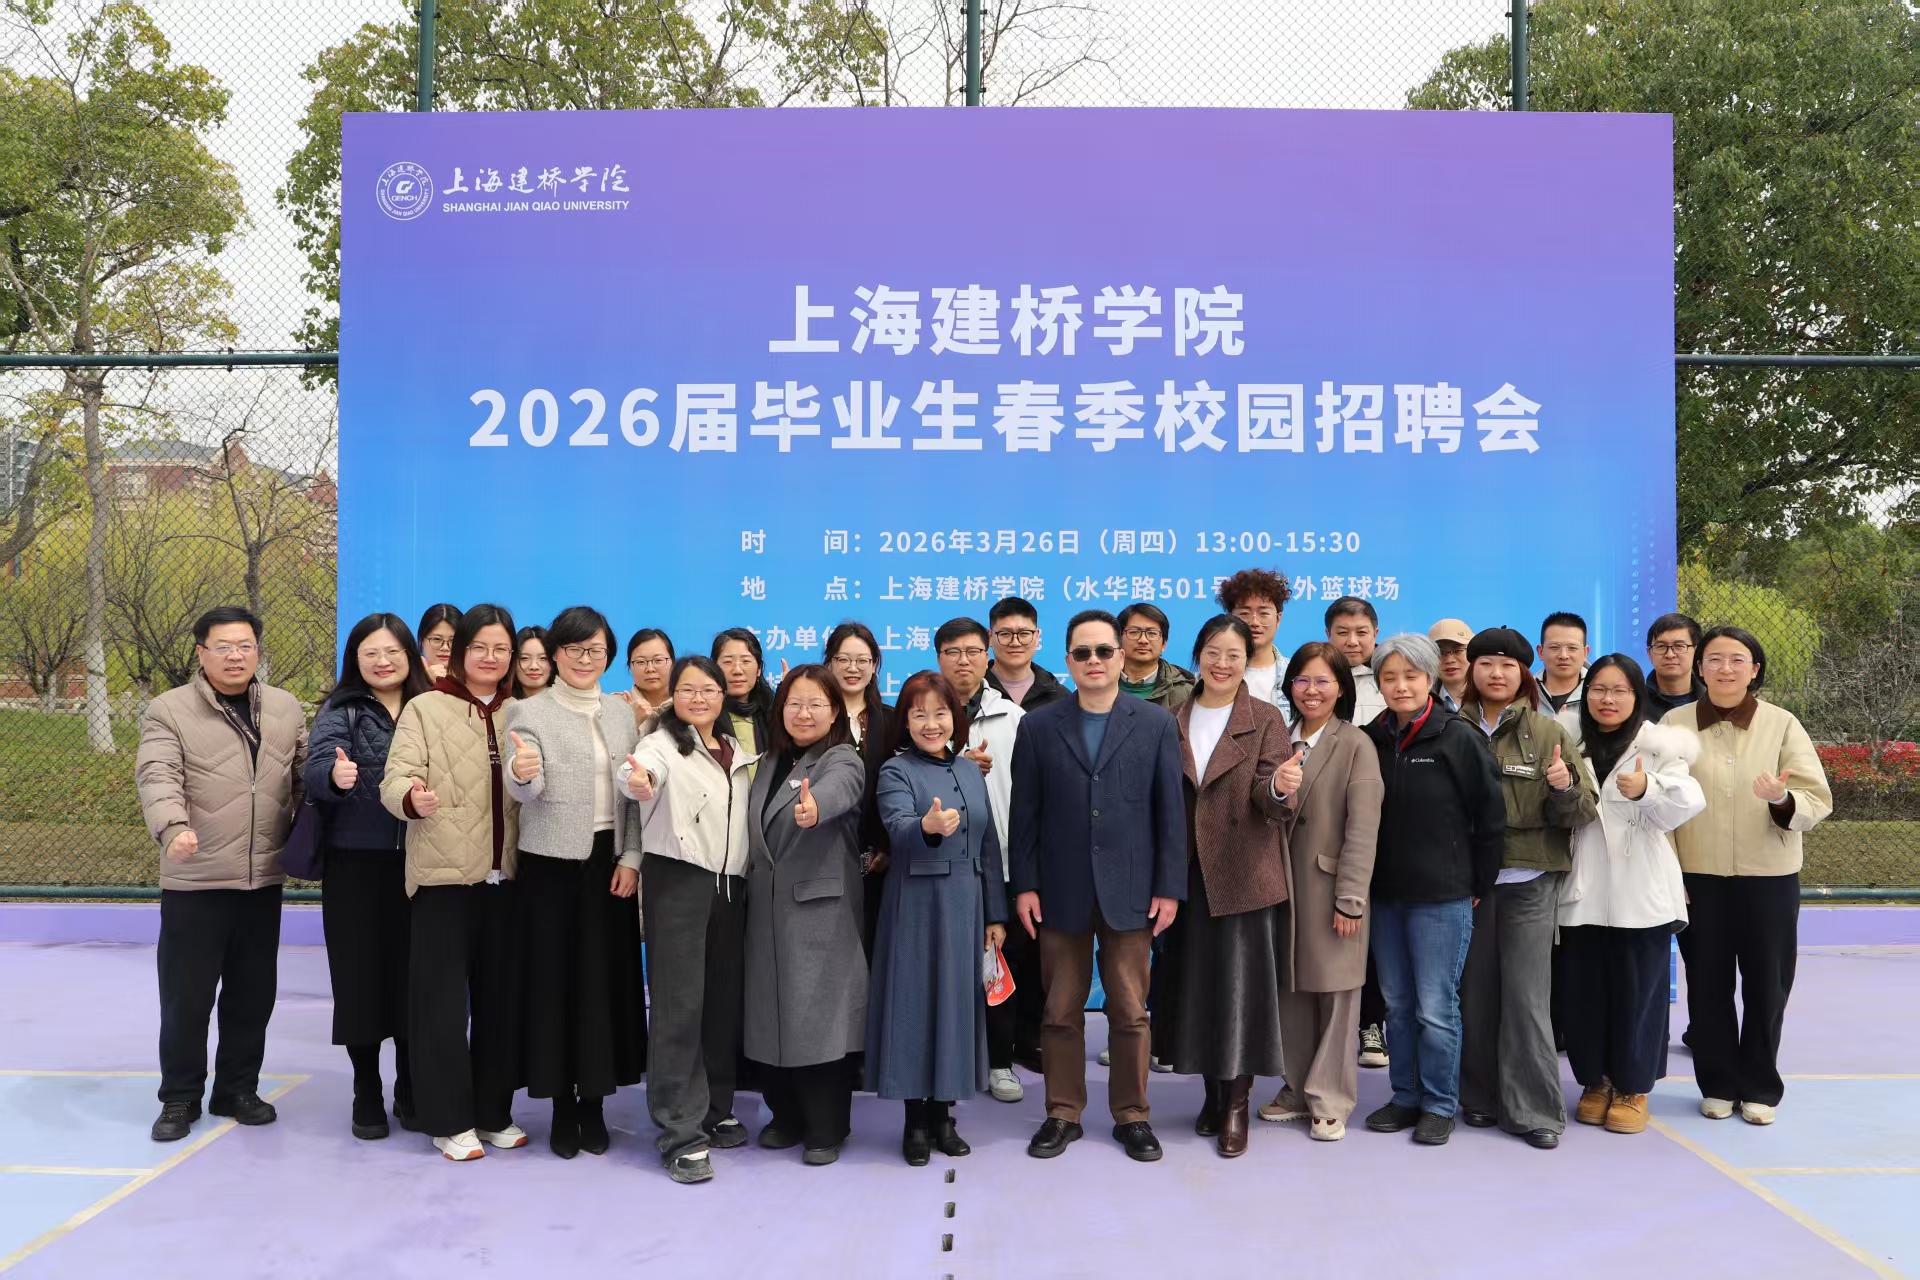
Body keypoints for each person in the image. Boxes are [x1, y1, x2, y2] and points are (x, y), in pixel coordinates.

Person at [1010, 610, 1185, 1163]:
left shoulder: (1155, 724)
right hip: (1058, 890)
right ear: (1067, 660)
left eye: (1104, 651)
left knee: (1130, 1011)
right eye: (1082, 652)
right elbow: (1025, 815)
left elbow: (1170, 813)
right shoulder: (1038, 726)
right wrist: (1025, 885)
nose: (1094, 661)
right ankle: (1063, 1111)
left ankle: (1133, 1115)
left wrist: (1169, 887)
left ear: (1121, 657)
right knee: (1060, 1010)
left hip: (1131, 888)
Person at [136, 606, 309, 1143]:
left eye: (245, 645)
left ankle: (237, 1089)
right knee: (187, 997)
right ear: (201, 652)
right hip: (197, 877)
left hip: (263, 879)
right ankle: (180, 1097)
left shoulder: (285, 708)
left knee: (252, 995)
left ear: (258, 650)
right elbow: (158, 774)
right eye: (223, 646)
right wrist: (173, 827)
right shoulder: (169, 710)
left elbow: (304, 778)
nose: (236, 656)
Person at [1667, 626, 1832, 1125]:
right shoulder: (1674, 724)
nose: (1725, 668)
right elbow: (1658, 801)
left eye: (1737, 659)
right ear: (1699, 667)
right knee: (1707, 983)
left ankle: (1760, 1086)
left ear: (1754, 669)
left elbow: (1816, 797)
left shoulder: (1782, 724)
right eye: (1714, 658)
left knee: (1768, 984)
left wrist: (1781, 799)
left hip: (1769, 877)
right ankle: (1717, 1083)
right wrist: (1671, 872)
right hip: (1698, 877)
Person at [380, 603, 527, 1162]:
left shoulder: (521, 712)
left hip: (507, 881)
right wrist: (411, 799)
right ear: (459, 651)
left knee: (500, 1003)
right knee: (440, 1008)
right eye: (479, 647)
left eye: (501, 649)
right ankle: (447, 1120)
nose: (490, 658)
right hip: (442, 880)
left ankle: (493, 1113)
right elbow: (396, 778)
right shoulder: (425, 708)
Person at [502, 607, 648, 1159]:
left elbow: (635, 796)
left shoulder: (622, 714)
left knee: (603, 987)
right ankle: (562, 1106)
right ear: (555, 655)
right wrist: (521, 774)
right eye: (574, 649)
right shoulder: (528, 710)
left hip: (609, 866)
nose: (586, 659)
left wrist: (631, 857)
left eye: (596, 650)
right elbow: (525, 789)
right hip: (550, 868)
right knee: (555, 987)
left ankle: (595, 1104)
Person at [1456, 626, 1598, 1149]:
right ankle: (1480, 1097)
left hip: (1529, 880)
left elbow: (1583, 811)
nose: (1496, 673)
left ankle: (1535, 1109)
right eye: (1486, 663)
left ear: (1523, 673)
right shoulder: (1452, 728)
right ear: (1471, 670)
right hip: (1467, 884)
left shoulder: (1548, 732)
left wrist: (1563, 787)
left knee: (1526, 997)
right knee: (1475, 994)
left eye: (1507, 665)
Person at [1361, 634, 1504, 1146]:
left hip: (1443, 897)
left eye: (1411, 675)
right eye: (1389, 677)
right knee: (1397, 1004)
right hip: (1385, 896)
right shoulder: (1370, 739)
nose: (1400, 686)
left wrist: (1477, 882)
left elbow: (1490, 818)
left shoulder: (1458, 737)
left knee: (1435, 1008)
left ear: (1430, 679)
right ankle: (1405, 1096)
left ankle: (1440, 1104)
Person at [618, 657, 756, 1184]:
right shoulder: (661, 743)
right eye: (688, 690)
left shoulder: (736, 750)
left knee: (720, 1004)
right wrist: (638, 780)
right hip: (679, 880)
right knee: (679, 1006)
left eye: (709, 689)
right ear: (673, 696)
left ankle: (714, 1109)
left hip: (731, 885)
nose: (699, 698)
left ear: (723, 696)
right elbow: (640, 774)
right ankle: (679, 1132)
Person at [1161, 615, 1292, 1158]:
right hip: (1186, 872)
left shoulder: (1265, 718)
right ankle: (1211, 1094)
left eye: (1234, 655)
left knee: (1241, 992)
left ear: (1247, 661)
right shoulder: (1171, 718)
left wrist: (1279, 787)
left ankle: (1237, 1102)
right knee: (1196, 988)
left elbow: (1270, 795)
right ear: (1198, 657)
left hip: (1242, 870)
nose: (1222, 663)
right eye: (1213, 652)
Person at [1558, 655, 1704, 1135]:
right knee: (1585, 992)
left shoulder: (1660, 747)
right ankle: (1595, 1082)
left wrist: (1648, 789)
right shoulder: (1568, 742)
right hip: (1583, 889)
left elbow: (1687, 803)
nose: (1608, 699)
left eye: (1620, 690)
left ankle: (1633, 1088)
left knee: (1639, 993)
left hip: (1641, 892)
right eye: (1599, 689)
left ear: (1637, 696)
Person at [867, 671, 1008, 1165]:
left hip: (967, 904)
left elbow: (988, 845)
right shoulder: (895, 770)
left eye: (941, 713)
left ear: (956, 718)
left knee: (957, 1006)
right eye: (919, 714)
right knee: (915, 1005)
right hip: (916, 904)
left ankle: (945, 1116)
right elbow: (898, 827)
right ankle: (915, 1120)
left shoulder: (970, 770)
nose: (931, 723)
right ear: (905, 722)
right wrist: (926, 827)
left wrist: (995, 914)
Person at [304, 612, 431, 1140]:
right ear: (355, 659)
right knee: (359, 981)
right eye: (370, 653)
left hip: (421, 865)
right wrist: (333, 776)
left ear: (410, 656)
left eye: (392, 652)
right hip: (354, 865)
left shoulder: (432, 706)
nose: (382, 662)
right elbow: (314, 768)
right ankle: (366, 1091)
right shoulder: (342, 709)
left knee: (414, 980)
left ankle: (410, 1088)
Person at [743, 666, 868, 1166]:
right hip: (765, 912)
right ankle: (785, 1116)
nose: (804, 713)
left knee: (819, 1023)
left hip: (819, 914)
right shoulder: (769, 760)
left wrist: (815, 810)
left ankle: (826, 1127)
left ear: (835, 711)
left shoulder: (842, 758)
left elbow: (839, 790)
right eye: (794, 703)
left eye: (816, 703)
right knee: (771, 1018)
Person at [1260, 641, 1382, 1142]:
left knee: (1336, 994)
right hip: (1278, 888)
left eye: (1323, 681)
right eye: (1302, 680)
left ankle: (1330, 1099)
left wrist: (1350, 899)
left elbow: (1363, 829)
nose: (1311, 690)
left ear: (1341, 689)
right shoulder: (1276, 738)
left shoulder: (1355, 743)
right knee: (1290, 990)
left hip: (1330, 889)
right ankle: (1296, 1088)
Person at [936, 616, 1037, 1102]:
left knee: (1000, 966)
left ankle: (1000, 1062)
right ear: (939, 658)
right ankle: (948, 1060)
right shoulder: (922, 715)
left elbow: (1031, 795)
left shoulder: (1013, 719)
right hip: (940, 866)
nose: (964, 661)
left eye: (973, 651)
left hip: (1002, 865)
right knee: (947, 965)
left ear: (988, 654)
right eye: (952, 652)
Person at [823, 622, 894, 952]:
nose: (853, 668)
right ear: (829, 663)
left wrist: (888, 846)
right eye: (843, 659)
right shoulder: (814, 719)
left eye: (862, 660)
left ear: (874, 665)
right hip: (821, 858)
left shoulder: (892, 720)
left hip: (879, 862)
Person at [1215, 567, 1291, 713]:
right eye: (1244, 613)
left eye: (1264, 613)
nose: (1254, 622)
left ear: (1278, 619)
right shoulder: (1214, 674)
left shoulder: (1296, 675)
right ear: (1230, 618)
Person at [986, 596, 1069, 710]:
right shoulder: (973, 690)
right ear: (990, 637)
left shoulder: (1060, 697)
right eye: (1005, 634)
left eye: (1024, 634)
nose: (1015, 643)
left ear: (1037, 636)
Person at [713, 627, 774, 769]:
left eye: (746, 661)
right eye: (728, 662)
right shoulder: (705, 716)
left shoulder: (773, 713)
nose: (737, 670)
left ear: (759, 669)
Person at [1117, 602, 1195, 710]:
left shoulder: (1185, 693)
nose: (1143, 640)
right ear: (1118, 640)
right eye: (1134, 632)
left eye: (1152, 633)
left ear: (1164, 644)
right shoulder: (1099, 684)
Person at [1324, 596, 1387, 724]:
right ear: (1328, 634)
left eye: (1361, 632)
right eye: (1342, 633)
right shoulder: (1314, 677)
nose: (1352, 642)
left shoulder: (1393, 674)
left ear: (1375, 634)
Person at [1643, 612, 1706, 719]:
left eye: (1679, 646)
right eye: (1661, 646)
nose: (1670, 654)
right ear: (1649, 653)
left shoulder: (1713, 701)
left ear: (1696, 652)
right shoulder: (1635, 703)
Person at [619, 627, 675, 729]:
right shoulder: (615, 705)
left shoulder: (687, 704)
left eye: (658, 660)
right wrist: (633, 722)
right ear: (630, 666)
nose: (650, 669)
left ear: (673, 663)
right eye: (640, 662)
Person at [1538, 611, 1591, 715]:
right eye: (1554, 647)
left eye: (1572, 648)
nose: (1563, 655)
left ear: (1585, 653)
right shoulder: (1523, 694)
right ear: (1540, 652)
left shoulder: (1601, 695)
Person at [1429, 618, 1474, 713]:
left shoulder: (1490, 697)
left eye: (1458, 651)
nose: (1449, 660)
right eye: (1440, 653)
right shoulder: (1422, 705)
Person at [416, 603, 462, 682]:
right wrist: (426, 681)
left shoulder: (476, 682)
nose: (445, 648)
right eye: (437, 639)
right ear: (421, 641)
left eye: (453, 640)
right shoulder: (409, 682)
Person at [512, 625, 553, 701]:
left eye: (543, 658)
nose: (534, 666)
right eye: (524, 658)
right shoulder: (502, 705)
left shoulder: (567, 704)